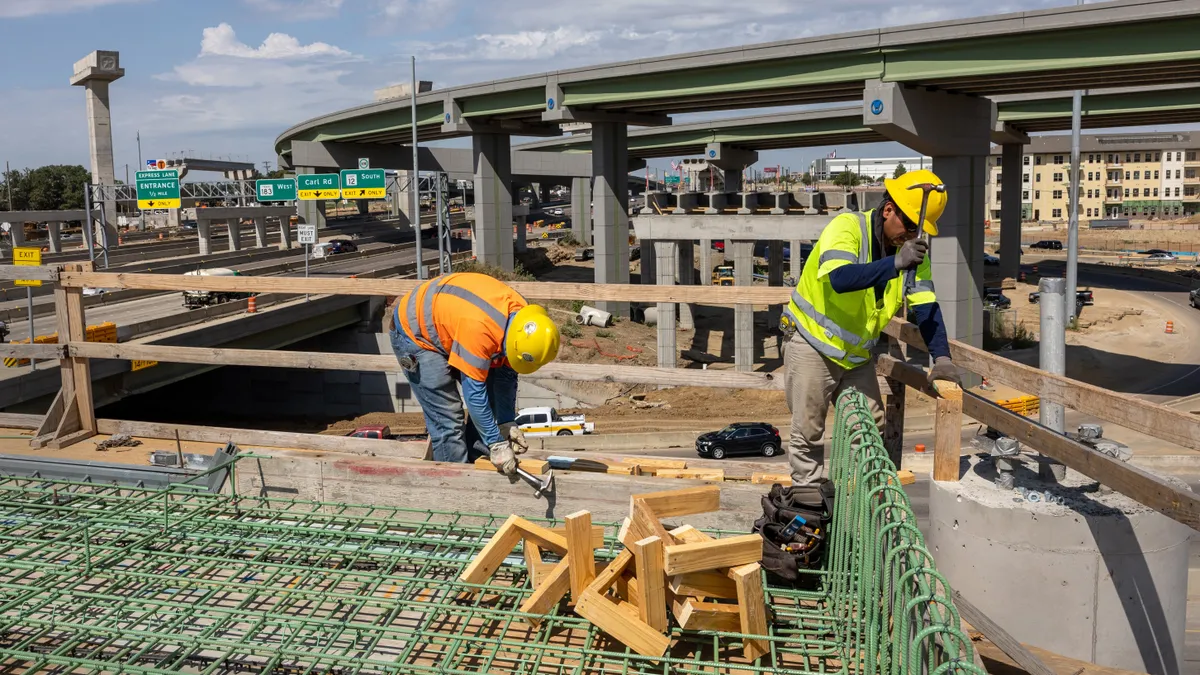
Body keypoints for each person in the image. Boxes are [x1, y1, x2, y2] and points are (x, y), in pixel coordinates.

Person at [782, 169, 961, 487]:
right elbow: (840, 279)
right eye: (907, 225)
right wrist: (894, 264)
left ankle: (852, 502)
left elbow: (926, 307)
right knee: (808, 433)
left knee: (869, 428)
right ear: (888, 209)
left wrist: (942, 357)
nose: (909, 236)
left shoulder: (912, 254)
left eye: (917, 230)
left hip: (853, 357)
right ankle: (806, 504)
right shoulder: (848, 227)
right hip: (812, 344)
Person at [387, 272, 560, 476]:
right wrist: (496, 442)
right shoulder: (480, 331)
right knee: (448, 420)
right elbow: (475, 394)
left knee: (492, 405)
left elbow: (506, 374)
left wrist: (506, 422)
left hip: (451, 322)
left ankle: (475, 463)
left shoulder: (523, 320)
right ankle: (455, 487)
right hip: (416, 334)